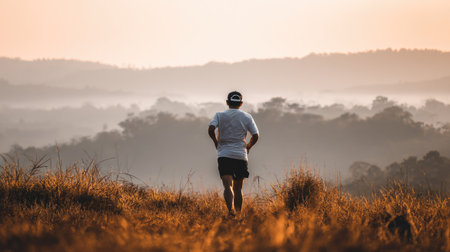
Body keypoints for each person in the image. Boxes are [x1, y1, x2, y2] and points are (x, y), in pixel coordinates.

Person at [208, 91, 259, 216]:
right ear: (241, 103)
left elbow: (210, 129)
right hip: (240, 155)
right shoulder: (247, 117)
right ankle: (238, 214)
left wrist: (216, 142)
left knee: (227, 186)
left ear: (227, 102)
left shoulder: (219, 115)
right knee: (238, 189)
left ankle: (230, 212)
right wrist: (249, 146)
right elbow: (256, 135)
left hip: (224, 154)